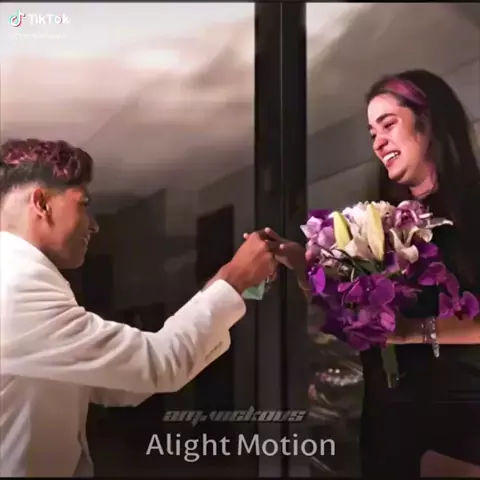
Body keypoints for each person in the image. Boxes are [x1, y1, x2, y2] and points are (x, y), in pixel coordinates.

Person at [0, 138, 278, 477]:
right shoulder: (16, 283)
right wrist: (235, 279)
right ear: (42, 203)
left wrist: (226, 284)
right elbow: (158, 363)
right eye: (83, 204)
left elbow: (123, 383)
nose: (94, 224)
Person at [252, 69, 480, 477]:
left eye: (388, 124)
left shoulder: (474, 210)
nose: (378, 141)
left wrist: (411, 331)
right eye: (373, 131)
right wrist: (304, 268)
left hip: (458, 420)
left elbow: (404, 328)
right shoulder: (378, 220)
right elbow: (347, 321)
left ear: (429, 121)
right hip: (387, 420)